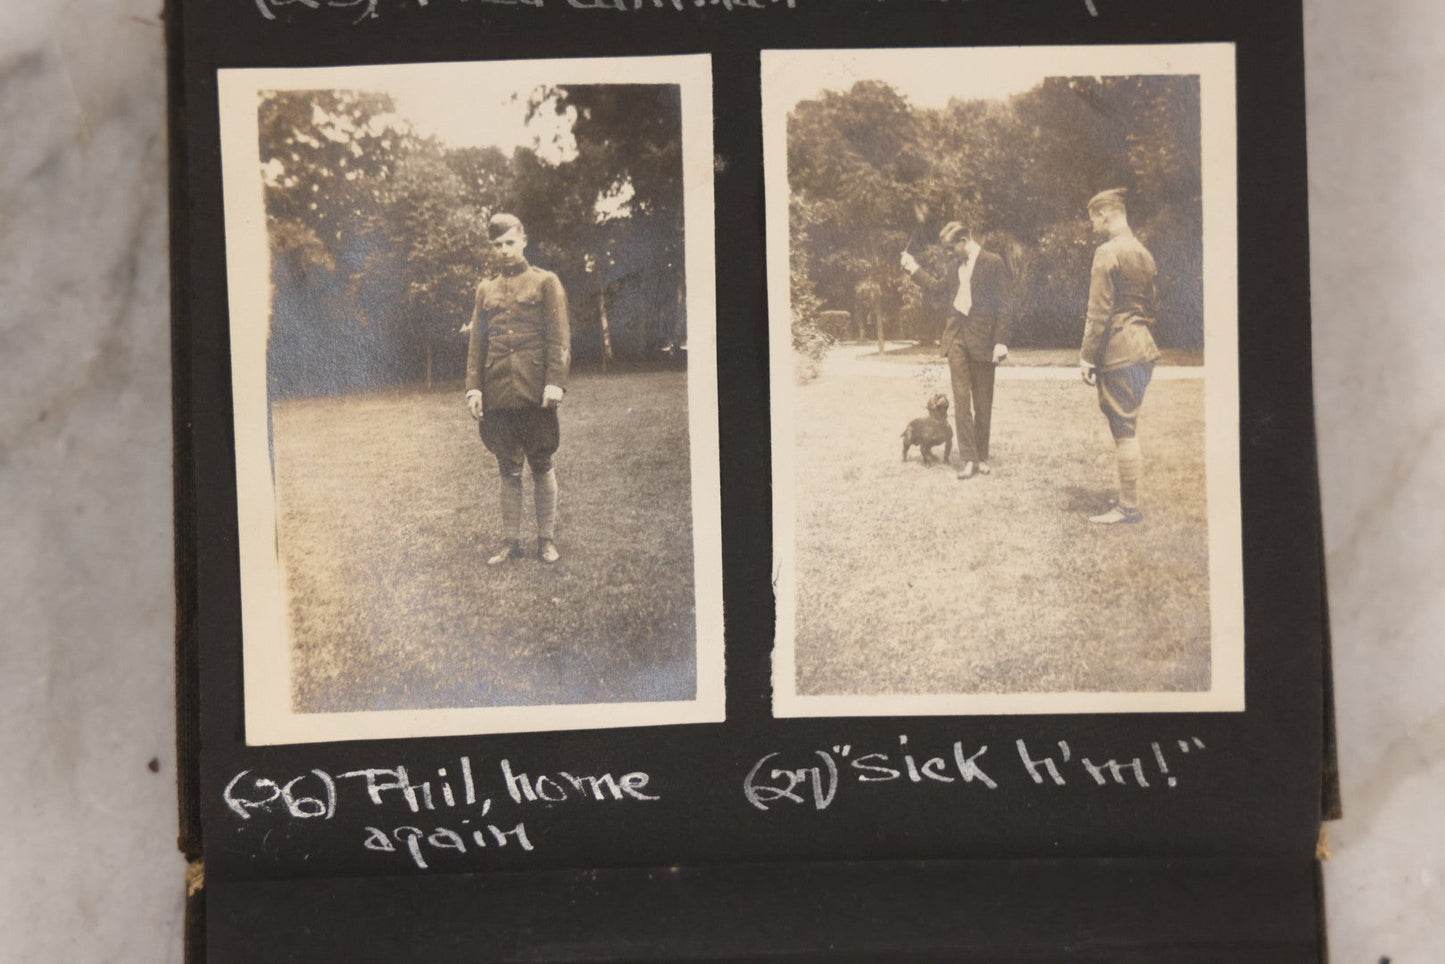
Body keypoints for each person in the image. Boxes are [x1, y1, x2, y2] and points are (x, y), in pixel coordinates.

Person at [464, 213, 571, 564]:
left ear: (524, 240)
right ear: (492, 248)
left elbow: (559, 338)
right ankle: (511, 543)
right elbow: (477, 345)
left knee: (541, 462)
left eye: (511, 242)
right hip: (498, 392)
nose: (505, 250)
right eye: (498, 245)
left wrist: (555, 382)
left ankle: (546, 541)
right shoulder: (485, 290)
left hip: (536, 390)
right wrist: (474, 389)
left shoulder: (545, 282)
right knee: (507, 468)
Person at [901, 221, 1013, 479]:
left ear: (964, 240)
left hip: (984, 341)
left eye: (952, 248)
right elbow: (938, 288)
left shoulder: (993, 263)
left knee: (983, 403)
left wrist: (1001, 341)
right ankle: (969, 459)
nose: (950, 253)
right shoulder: (954, 267)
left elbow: (1004, 304)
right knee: (962, 401)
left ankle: (982, 456)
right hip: (956, 340)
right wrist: (913, 268)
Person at [1077, 188, 1161, 525]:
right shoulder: (1143, 252)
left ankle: (1128, 508)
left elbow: (1098, 313)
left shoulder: (1107, 252)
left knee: (1123, 428)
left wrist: (1086, 357)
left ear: (1105, 215)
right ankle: (1129, 500)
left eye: (1093, 218)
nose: (1093, 225)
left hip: (1118, 351)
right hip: (1143, 349)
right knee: (1130, 424)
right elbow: (1152, 306)